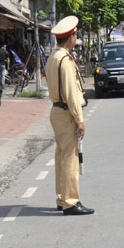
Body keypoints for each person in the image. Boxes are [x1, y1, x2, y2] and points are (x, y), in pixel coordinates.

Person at [46, 15, 94, 215]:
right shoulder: (64, 59)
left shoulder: (53, 56)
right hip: (66, 113)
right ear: (70, 37)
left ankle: (61, 198)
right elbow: (71, 93)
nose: (76, 37)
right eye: (75, 34)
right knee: (70, 158)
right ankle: (71, 201)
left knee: (61, 156)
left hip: (57, 111)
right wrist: (80, 119)